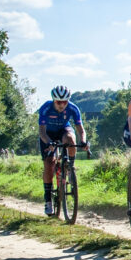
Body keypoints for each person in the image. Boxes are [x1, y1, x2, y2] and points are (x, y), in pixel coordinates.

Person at [38, 85, 89, 215]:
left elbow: (80, 130)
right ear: (54, 100)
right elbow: (42, 132)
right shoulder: (45, 108)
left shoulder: (73, 108)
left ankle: (70, 167)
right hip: (48, 134)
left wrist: (83, 141)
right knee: (49, 164)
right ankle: (48, 199)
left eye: (64, 102)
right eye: (59, 102)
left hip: (63, 130)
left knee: (71, 139)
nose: (62, 105)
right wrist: (49, 143)